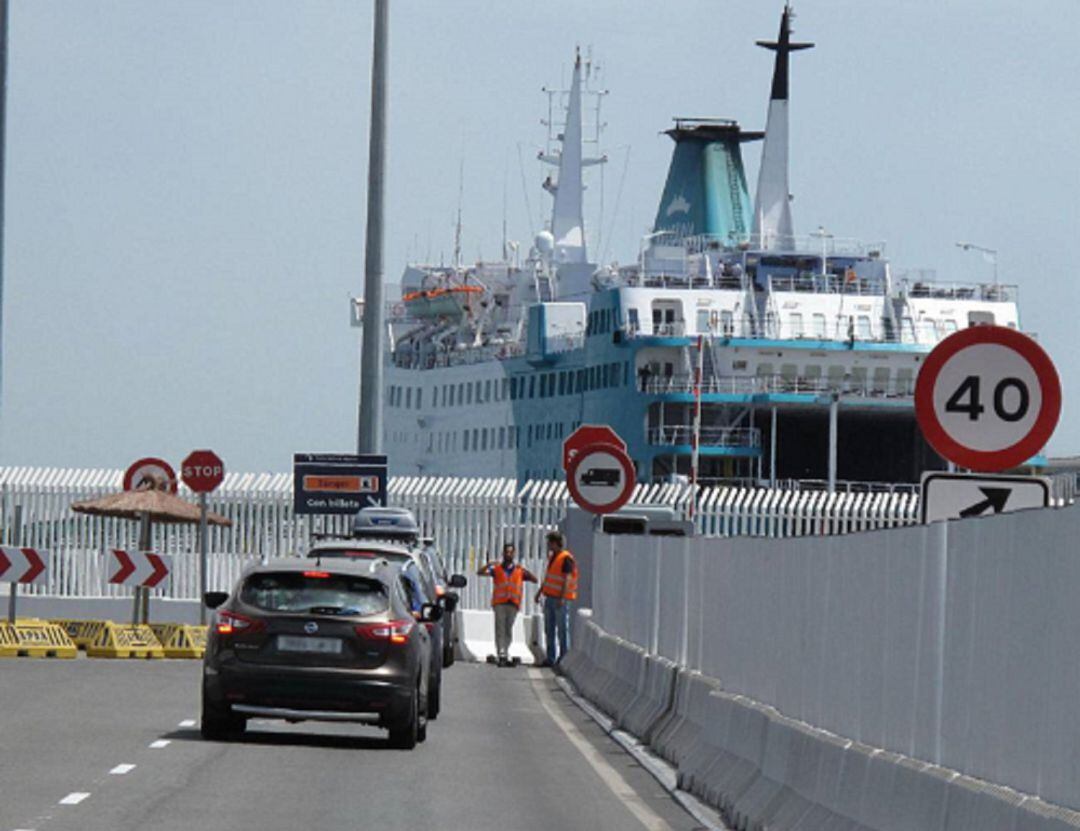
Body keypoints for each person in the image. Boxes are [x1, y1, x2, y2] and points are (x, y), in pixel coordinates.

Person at [476, 542, 538, 667]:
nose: (508, 554)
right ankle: (501, 653)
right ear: (503, 553)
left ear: (514, 554)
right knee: (500, 628)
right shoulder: (497, 569)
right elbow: (480, 572)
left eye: (511, 552)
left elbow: (534, 579)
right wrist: (489, 564)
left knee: (508, 629)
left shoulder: (519, 570)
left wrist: (524, 570)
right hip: (499, 603)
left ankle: (506, 649)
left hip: (513, 603)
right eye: (506, 552)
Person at [539, 531, 578, 667]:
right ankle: (551, 657)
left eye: (550, 542)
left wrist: (562, 597)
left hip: (560, 599)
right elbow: (549, 577)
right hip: (550, 596)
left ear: (555, 543)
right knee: (549, 628)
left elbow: (567, 579)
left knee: (562, 629)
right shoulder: (553, 558)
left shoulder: (566, 558)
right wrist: (540, 592)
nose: (548, 545)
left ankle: (563, 657)